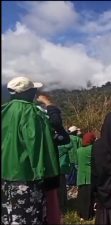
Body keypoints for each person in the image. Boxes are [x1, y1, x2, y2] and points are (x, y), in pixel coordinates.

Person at [2, 76, 60, 225]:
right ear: (27, 93)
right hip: (26, 176)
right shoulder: (32, 113)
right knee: (28, 217)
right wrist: (46, 174)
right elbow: (37, 146)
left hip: (4, 177)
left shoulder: (4, 111)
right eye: (33, 90)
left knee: (8, 215)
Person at [76, 132, 96, 221]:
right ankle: (88, 215)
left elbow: (76, 163)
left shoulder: (78, 150)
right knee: (89, 197)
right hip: (89, 175)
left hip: (80, 176)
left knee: (81, 196)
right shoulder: (93, 149)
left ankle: (80, 214)